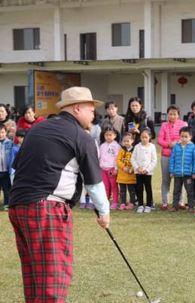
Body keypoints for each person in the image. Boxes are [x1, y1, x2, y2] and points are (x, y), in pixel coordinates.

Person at [8, 86, 110, 302]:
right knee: (53, 279)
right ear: (77, 108)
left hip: (18, 207)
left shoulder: (37, 129)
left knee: (35, 276)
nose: (94, 113)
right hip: (47, 209)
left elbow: (17, 168)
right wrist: (104, 212)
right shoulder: (81, 137)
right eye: (91, 108)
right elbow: (94, 182)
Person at [157, 105, 188, 210]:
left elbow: (186, 138)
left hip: (180, 156)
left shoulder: (184, 124)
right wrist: (168, 144)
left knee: (180, 179)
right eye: (170, 114)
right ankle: (165, 202)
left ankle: (180, 201)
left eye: (174, 114)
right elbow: (159, 140)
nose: (172, 116)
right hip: (166, 155)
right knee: (166, 179)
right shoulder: (164, 125)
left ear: (178, 115)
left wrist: (178, 143)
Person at [169, 127, 195, 213]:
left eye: (186, 136)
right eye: (182, 136)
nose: (184, 138)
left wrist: (194, 172)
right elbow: (172, 159)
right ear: (179, 136)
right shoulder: (176, 147)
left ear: (190, 137)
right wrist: (171, 171)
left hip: (188, 174)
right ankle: (174, 206)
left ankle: (191, 207)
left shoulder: (193, 147)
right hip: (177, 174)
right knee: (176, 191)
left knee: (190, 191)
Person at [131, 128, 157, 214]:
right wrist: (137, 168)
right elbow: (133, 159)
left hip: (147, 173)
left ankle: (149, 205)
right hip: (138, 172)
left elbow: (154, 160)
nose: (144, 139)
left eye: (146, 137)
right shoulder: (137, 147)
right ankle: (141, 205)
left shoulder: (152, 147)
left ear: (150, 137)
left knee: (148, 188)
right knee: (139, 188)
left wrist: (147, 170)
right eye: (142, 137)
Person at [99, 126, 121, 210]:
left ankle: (115, 202)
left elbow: (117, 158)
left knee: (114, 187)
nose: (108, 137)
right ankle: (105, 202)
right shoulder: (102, 146)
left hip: (112, 169)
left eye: (110, 135)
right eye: (106, 135)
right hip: (103, 169)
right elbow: (99, 157)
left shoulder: (116, 146)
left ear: (115, 135)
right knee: (106, 187)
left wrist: (116, 169)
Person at [116, 132, 137, 211]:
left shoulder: (135, 150)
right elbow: (118, 160)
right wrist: (123, 167)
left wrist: (131, 168)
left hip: (131, 175)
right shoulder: (121, 151)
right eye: (124, 141)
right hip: (122, 175)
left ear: (132, 141)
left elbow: (136, 160)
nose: (126, 143)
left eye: (128, 141)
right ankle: (123, 203)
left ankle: (132, 203)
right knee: (122, 190)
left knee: (131, 190)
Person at [0, 123, 13, 210]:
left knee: (6, 188)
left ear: (6, 132)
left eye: (2, 132)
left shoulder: (10, 143)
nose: (0, 134)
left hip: (6, 170)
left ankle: (6, 204)